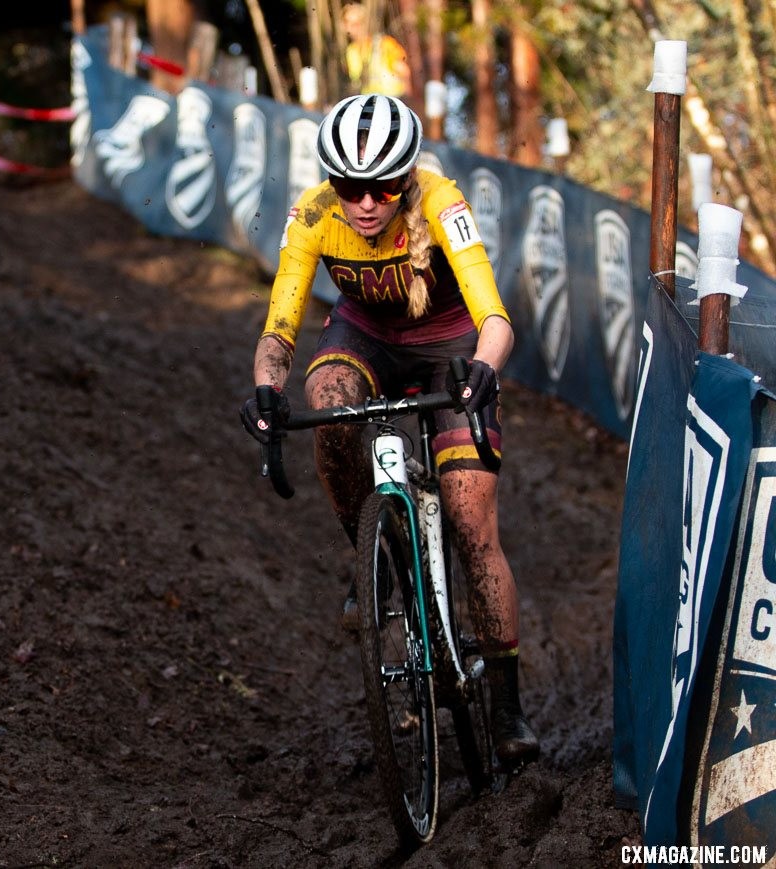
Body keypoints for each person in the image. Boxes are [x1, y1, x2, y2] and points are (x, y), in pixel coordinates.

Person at [238, 93, 539, 767]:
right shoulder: (313, 214)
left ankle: (507, 702)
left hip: (450, 343)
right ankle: (369, 555)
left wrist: (486, 370)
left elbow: (494, 315)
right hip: (367, 336)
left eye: (381, 188)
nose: (366, 203)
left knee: (470, 521)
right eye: (350, 187)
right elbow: (279, 329)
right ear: (330, 183)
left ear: (406, 180)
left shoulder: (441, 200)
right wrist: (266, 385)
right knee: (327, 393)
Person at [341, 1, 412, 101]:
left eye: (355, 24)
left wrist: (406, 105)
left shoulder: (385, 44)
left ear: (365, 23)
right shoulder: (351, 52)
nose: (350, 28)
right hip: (369, 103)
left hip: (392, 101)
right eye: (347, 23)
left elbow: (404, 73)